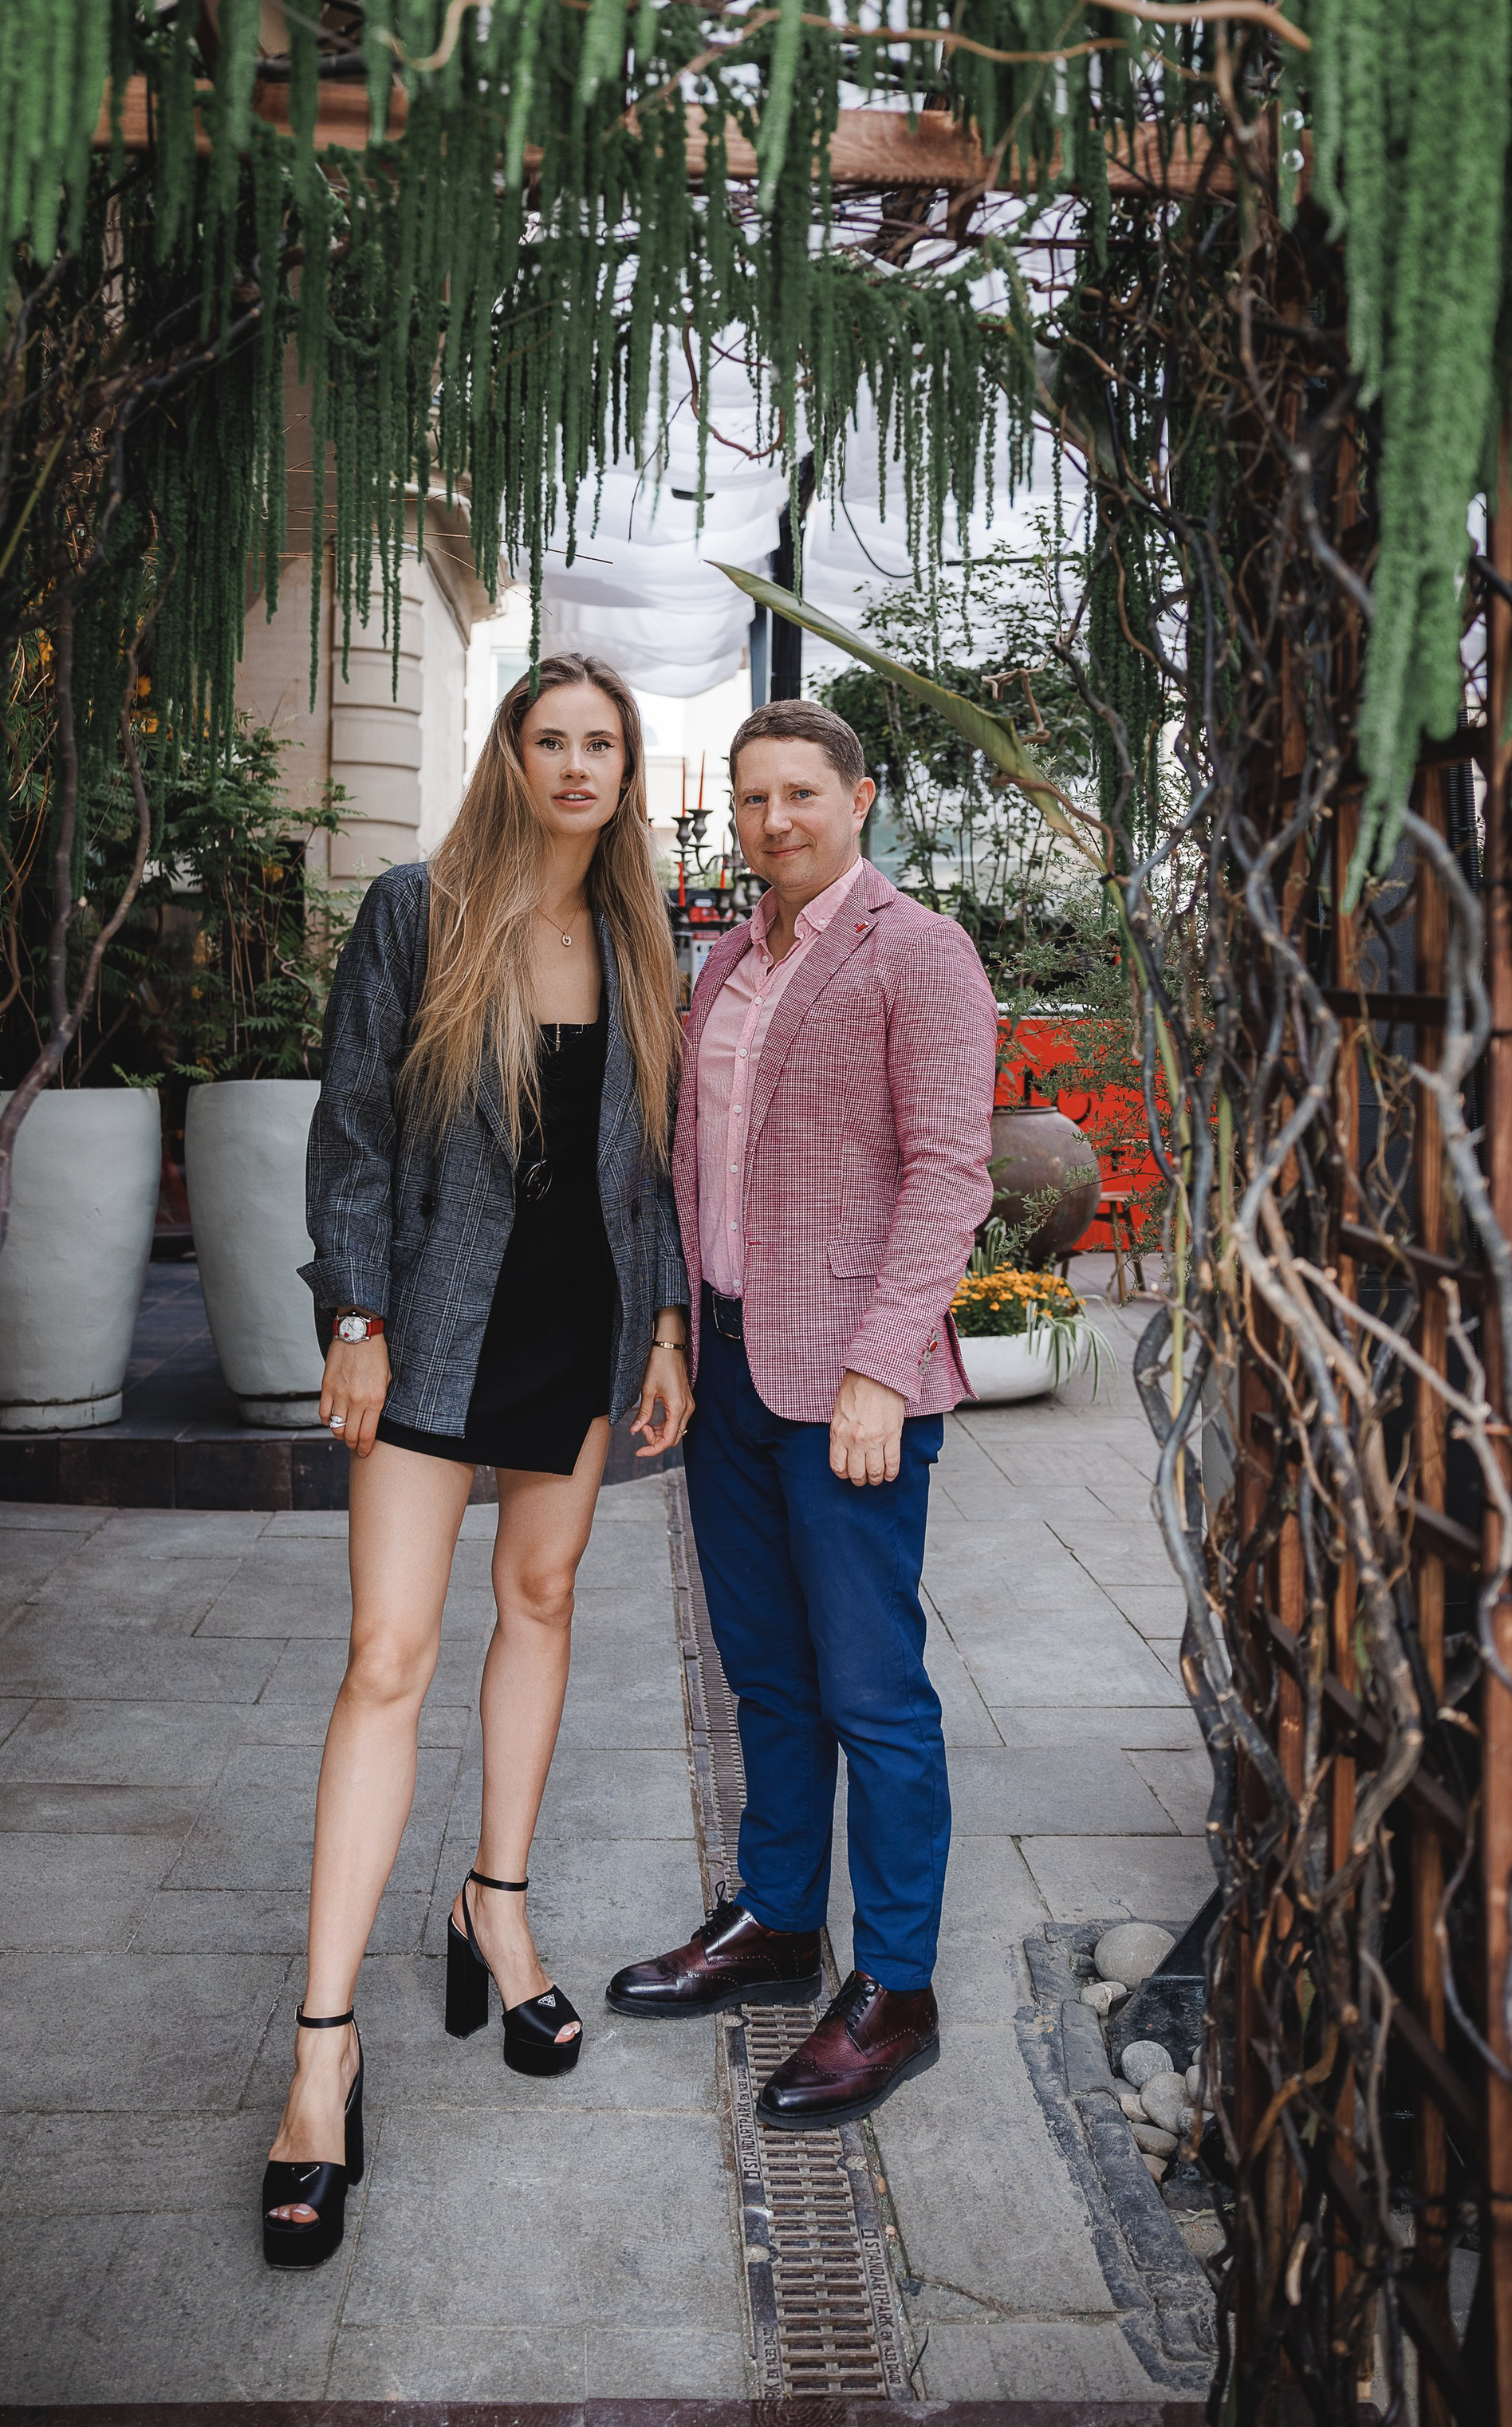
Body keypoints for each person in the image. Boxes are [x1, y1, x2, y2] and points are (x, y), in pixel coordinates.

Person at [261, 653, 695, 2267]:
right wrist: (353, 1312)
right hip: (434, 1319)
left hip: (576, 1330)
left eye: (604, 742)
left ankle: (492, 1903)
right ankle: (321, 2054)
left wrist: (658, 1330)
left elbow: (652, 1165)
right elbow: (353, 1123)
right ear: (509, 755)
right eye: (551, 737)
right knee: (386, 1654)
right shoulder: (416, 905)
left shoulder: (645, 936)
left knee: (542, 1594)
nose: (577, 763)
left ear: (626, 768)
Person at [607, 698, 998, 2127]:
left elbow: (951, 1173)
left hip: (849, 1389)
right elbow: (688, 1166)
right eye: (753, 798)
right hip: (725, 1368)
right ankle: (778, 1921)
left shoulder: (923, 955)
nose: (776, 822)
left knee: (873, 1693)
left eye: (802, 796)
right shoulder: (726, 956)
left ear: (862, 797)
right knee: (764, 1675)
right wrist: (670, 1334)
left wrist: (883, 1365)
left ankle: (896, 1986)